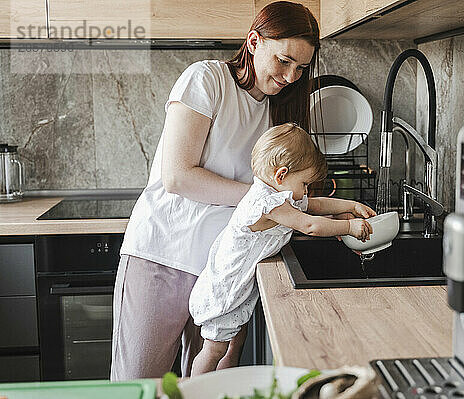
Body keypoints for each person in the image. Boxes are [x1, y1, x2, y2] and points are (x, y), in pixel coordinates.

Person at [111, 1, 321, 380]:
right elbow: (178, 176)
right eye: (285, 60)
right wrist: (263, 200)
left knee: (209, 386)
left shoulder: (279, 113)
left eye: (301, 67)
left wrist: (335, 209)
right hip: (164, 255)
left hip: (225, 271)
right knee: (139, 384)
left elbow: (287, 195)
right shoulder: (206, 79)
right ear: (254, 42)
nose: (292, 76)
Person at [189, 123, 375, 375]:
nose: (306, 191)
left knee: (234, 344)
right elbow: (309, 224)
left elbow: (315, 206)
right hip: (225, 288)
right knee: (214, 350)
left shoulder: (276, 192)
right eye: (305, 183)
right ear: (281, 175)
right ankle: (192, 392)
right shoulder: (266, 202)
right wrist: (349, 227)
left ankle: (219, 389)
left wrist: (350, 205)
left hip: (238, 285)